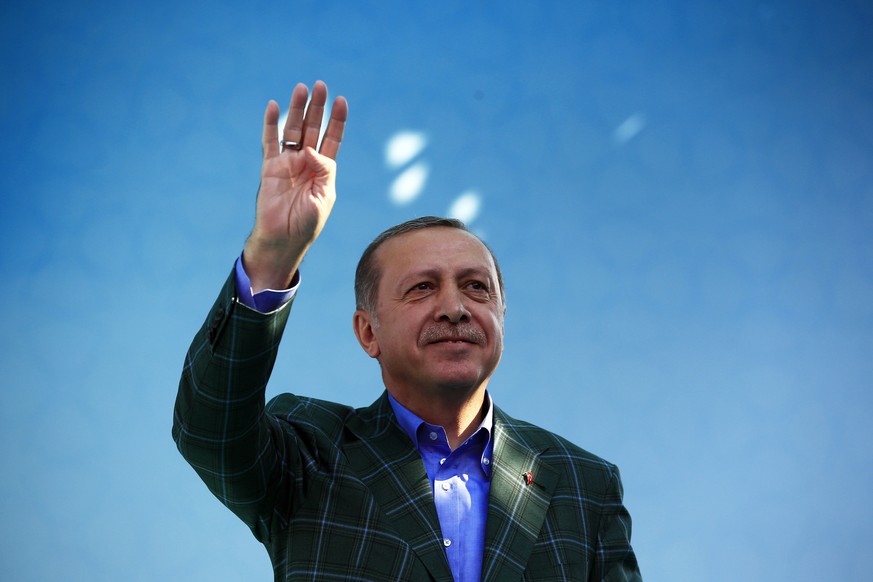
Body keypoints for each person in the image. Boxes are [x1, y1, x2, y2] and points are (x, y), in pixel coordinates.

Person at [173, 80, 642, 581]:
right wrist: (273, 254)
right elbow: (210, 428)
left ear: (502, 316)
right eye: (421, 288)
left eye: (476, 287)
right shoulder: (306, 457)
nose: (455, 308)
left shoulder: (583, 483)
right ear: (367, 332)